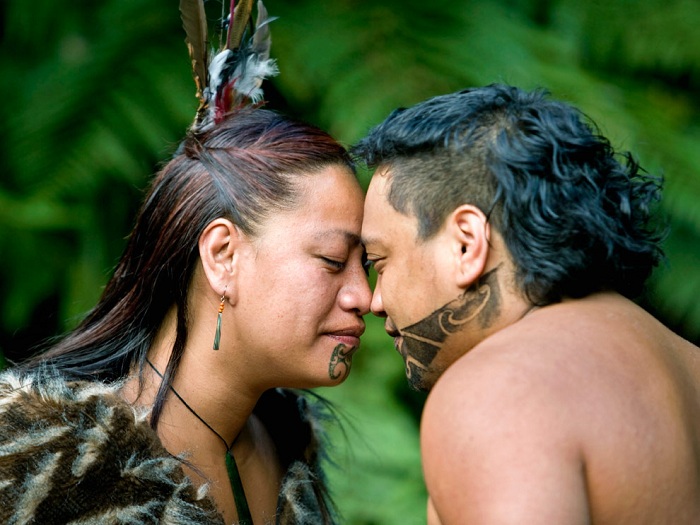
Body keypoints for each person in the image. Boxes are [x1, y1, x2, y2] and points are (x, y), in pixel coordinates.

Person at [0, 106, 372, 524]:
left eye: (367, 265)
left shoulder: (289, 444)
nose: (365, 296)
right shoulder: (45, 464)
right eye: (333, 260)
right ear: (223, 256)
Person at [354, 83, 700, 524]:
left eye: (379, 262)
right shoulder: (688, 363)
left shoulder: (500, 391)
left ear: (466, 244)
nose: (375, 301)